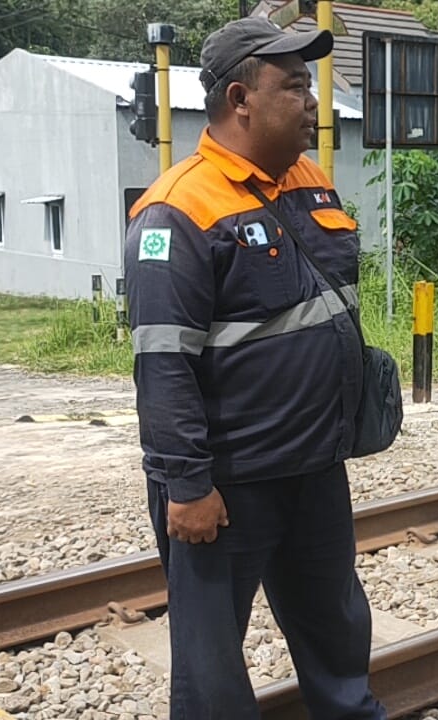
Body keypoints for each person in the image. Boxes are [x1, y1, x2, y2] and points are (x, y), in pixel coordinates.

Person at [124, 18, 386, 719]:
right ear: (241, 99)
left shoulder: (309, 182)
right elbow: (163, 364)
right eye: (294, 86)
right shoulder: (177, 210)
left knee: (336, 627)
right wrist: (187, 484)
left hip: (314, 466)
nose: (313, 102)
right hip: (230, 481)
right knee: (211, 658)